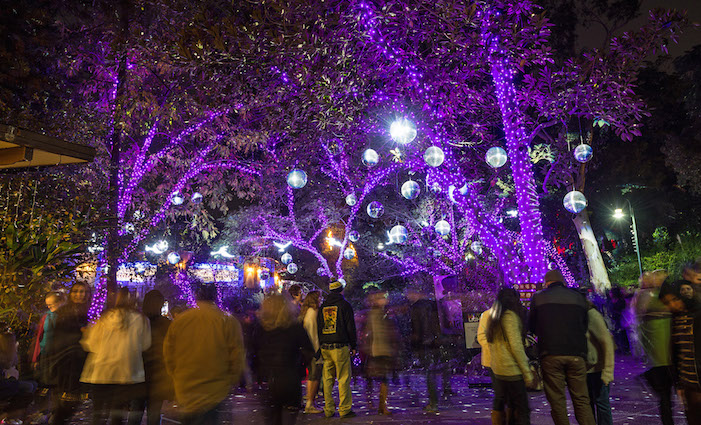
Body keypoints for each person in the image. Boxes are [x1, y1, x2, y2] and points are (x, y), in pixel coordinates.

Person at [164, 282, 245, 425]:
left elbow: (168, 352)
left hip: (186, 386)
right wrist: (233, 378)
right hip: (215, 389)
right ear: (215, 297)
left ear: (196, 297)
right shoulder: (227, 321)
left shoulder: (181, 321)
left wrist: (175, 374)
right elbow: (236, 354)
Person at [529, 270, 595, 425]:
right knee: (582, 400)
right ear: (563, 282)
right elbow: (585, 324)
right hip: (576, 353)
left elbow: (531, 326)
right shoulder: (578, 297)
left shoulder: (538, 298)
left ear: (547, 283)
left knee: (557, 401)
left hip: (550, 353)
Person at [80, 287, 151, 425]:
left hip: (101, 372)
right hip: (126, 373)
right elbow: (145, 345)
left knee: (98, 413)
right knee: (117, 414)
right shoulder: (141, 320)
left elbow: (90, 344)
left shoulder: (103, 318)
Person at [252, 294, 314, 425]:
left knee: (271, 419)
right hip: (289, 380)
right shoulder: (294, 327)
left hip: (267, 380)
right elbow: (309, 351)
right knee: (289, 418)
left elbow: (253, 352)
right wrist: (301, 367)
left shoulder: (260, 328)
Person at [633, 269, 675, 425]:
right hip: (664, 353)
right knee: (666, 394)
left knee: (665, 395)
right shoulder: (649, 296)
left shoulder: (646, 296)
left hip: (661, 353)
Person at [486, 288, 533, 425]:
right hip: (512, 370)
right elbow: (516, 347)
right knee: (522, 409)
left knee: (508, 405)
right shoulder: (510, 317)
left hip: (499, 370)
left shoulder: (494, 317)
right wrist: (527, 372)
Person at [48, 282, 90, 425]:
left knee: (72, 402)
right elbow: (59, 337)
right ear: (71, 294)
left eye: (84, 292)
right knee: (65, 401)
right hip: (65, 362)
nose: (80, 295)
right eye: (77, 291)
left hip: (79, 362)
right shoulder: (64, 312)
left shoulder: (87, 311)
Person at [129, 290, 174, 425]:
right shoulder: (167, 324)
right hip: (158, 376)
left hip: (139, 373)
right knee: (154, 413)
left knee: (136, 411)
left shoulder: (137, 321)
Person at [659, 281, 701, 423]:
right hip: (688, 385)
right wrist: (679, 385)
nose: (671, 305)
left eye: (674, 300)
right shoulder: (675, 319)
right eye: (667, 303)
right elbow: (676, 354)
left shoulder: (697, 315)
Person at [317, 280, 357, 419]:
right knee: (343, 377)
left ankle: (328, 409)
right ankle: (344, 409)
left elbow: (319, 328)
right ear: (341, 290)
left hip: (325, 347)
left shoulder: (323, 306)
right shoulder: (345, 305)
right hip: (340, 346)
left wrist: (320, 345)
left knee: (327, 379)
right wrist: (354, 345)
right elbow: (350, 327)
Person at [364, 291, 399, 416]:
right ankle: (381, 406)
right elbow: (381, 332)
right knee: (383, 378)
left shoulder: (375, 313)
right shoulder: (379, 314)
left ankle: (377, 403)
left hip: (377, 349)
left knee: (378, 378)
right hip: (381, 349)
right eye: (382, 298)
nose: (385, 300)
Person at [582, 293, 615, 425]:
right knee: (588, 404)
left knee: (602, 403)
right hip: (585, 368)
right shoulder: (578, 316)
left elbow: (606, 342)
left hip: (598, 367)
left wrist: (607, 371)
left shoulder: (591, 314)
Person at [407, 288, 441, 413]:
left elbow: (417, 328)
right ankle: (435, 400)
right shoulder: (433, 305)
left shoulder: (416, 308)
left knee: (429, 373)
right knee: (433, 371)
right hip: (435, 341)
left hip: (424, 343)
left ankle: (433, 403)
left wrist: (415, 343)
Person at [299, 291, 323, 414]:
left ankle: (310, 402)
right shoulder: (313, 313)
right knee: (315, 376)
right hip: (313, 349)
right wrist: (317, 350)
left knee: (311, 376)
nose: (321, 299)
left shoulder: (305, 312)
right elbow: (313, 333)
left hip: (306, 349)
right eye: (319, 297)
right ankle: (310, 403)